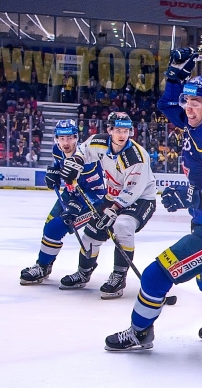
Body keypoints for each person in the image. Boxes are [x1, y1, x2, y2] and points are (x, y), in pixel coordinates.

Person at [104, 49, 202, 351]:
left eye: (195, 102)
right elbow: (167, 105)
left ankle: (139, 332)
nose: (187, 107)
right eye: (188, 100)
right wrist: (175, 75)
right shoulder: (201, 124)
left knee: (156, 276)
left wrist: (191, 195)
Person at [59, 111, 157, 298]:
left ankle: (119, 275)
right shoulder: (99, 142)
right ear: (109, 130)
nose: (122, 135)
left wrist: (113, 210)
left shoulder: (137, 157)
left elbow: (133, 190)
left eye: (126, 130)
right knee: (90, 235)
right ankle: (83, 272)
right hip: (112, 197)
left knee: (122, 225)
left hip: (141, 199)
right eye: (118, 130)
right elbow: (83, 151)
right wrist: (76, 163)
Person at [19, 119, 105, 284]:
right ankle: (43, 266)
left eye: (70, 138)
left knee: (62, 227)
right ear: (56, 139)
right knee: (49, 227)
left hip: (93, 198)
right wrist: (54, 174)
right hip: (71, 193)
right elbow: (61, 168)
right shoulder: (57, 150)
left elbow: (94, 187)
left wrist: (76, 204)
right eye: (62, 138)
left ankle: (84, 272)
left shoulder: (87, 158)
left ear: (76, 137)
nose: (66, 142)